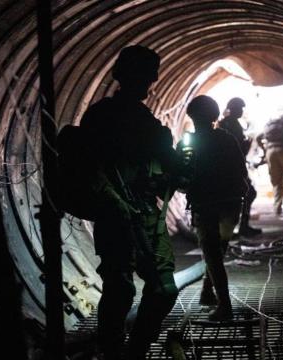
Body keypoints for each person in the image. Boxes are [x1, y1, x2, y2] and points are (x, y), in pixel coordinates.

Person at [79, 45, 183, 359]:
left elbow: (167, 169)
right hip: (114, 214)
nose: (149, 81)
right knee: (119, 287)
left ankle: (134, 348)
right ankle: (112, 349)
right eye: (147, 74)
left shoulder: (140, 118)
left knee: (161, 288)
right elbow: (88, 167)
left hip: (143, 211)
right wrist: (116, 203)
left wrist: (171, 171)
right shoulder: (102, 117)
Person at [177, 95, 248, 321]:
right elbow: (241, 170)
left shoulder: (188, 143)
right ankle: (208, 292)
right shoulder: (227, 138)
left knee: (212, 254)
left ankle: (224, 306)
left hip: (205, 205)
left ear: (191, 117)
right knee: (219, 250)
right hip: (230, 204)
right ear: (216, 116)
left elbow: (180, 177)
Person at [217, 97, 262, 236]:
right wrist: (246, 144)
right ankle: (239, 227)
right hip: (231, 168)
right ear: (233, 109)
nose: (241, 111)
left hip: (229, 166)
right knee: (248, 194)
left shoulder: (227, 123)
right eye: (239, 108)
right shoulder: (230, 124)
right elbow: (233, 147)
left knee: (242, 195)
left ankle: (232, 227)